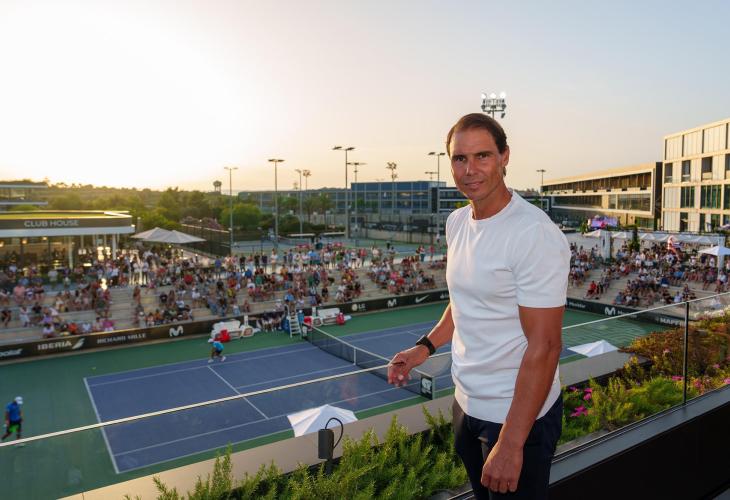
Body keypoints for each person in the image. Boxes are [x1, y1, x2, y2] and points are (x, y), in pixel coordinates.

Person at [388, 113, 570, 499]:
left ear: (505, 156)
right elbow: (463, 303)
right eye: (460, 158)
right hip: (466, 405)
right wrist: (425, 347)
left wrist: (512, 443)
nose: (470, 170)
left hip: (516, 419)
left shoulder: (533, 233)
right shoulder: (457, 222)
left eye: (482, 156)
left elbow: (546, 346)